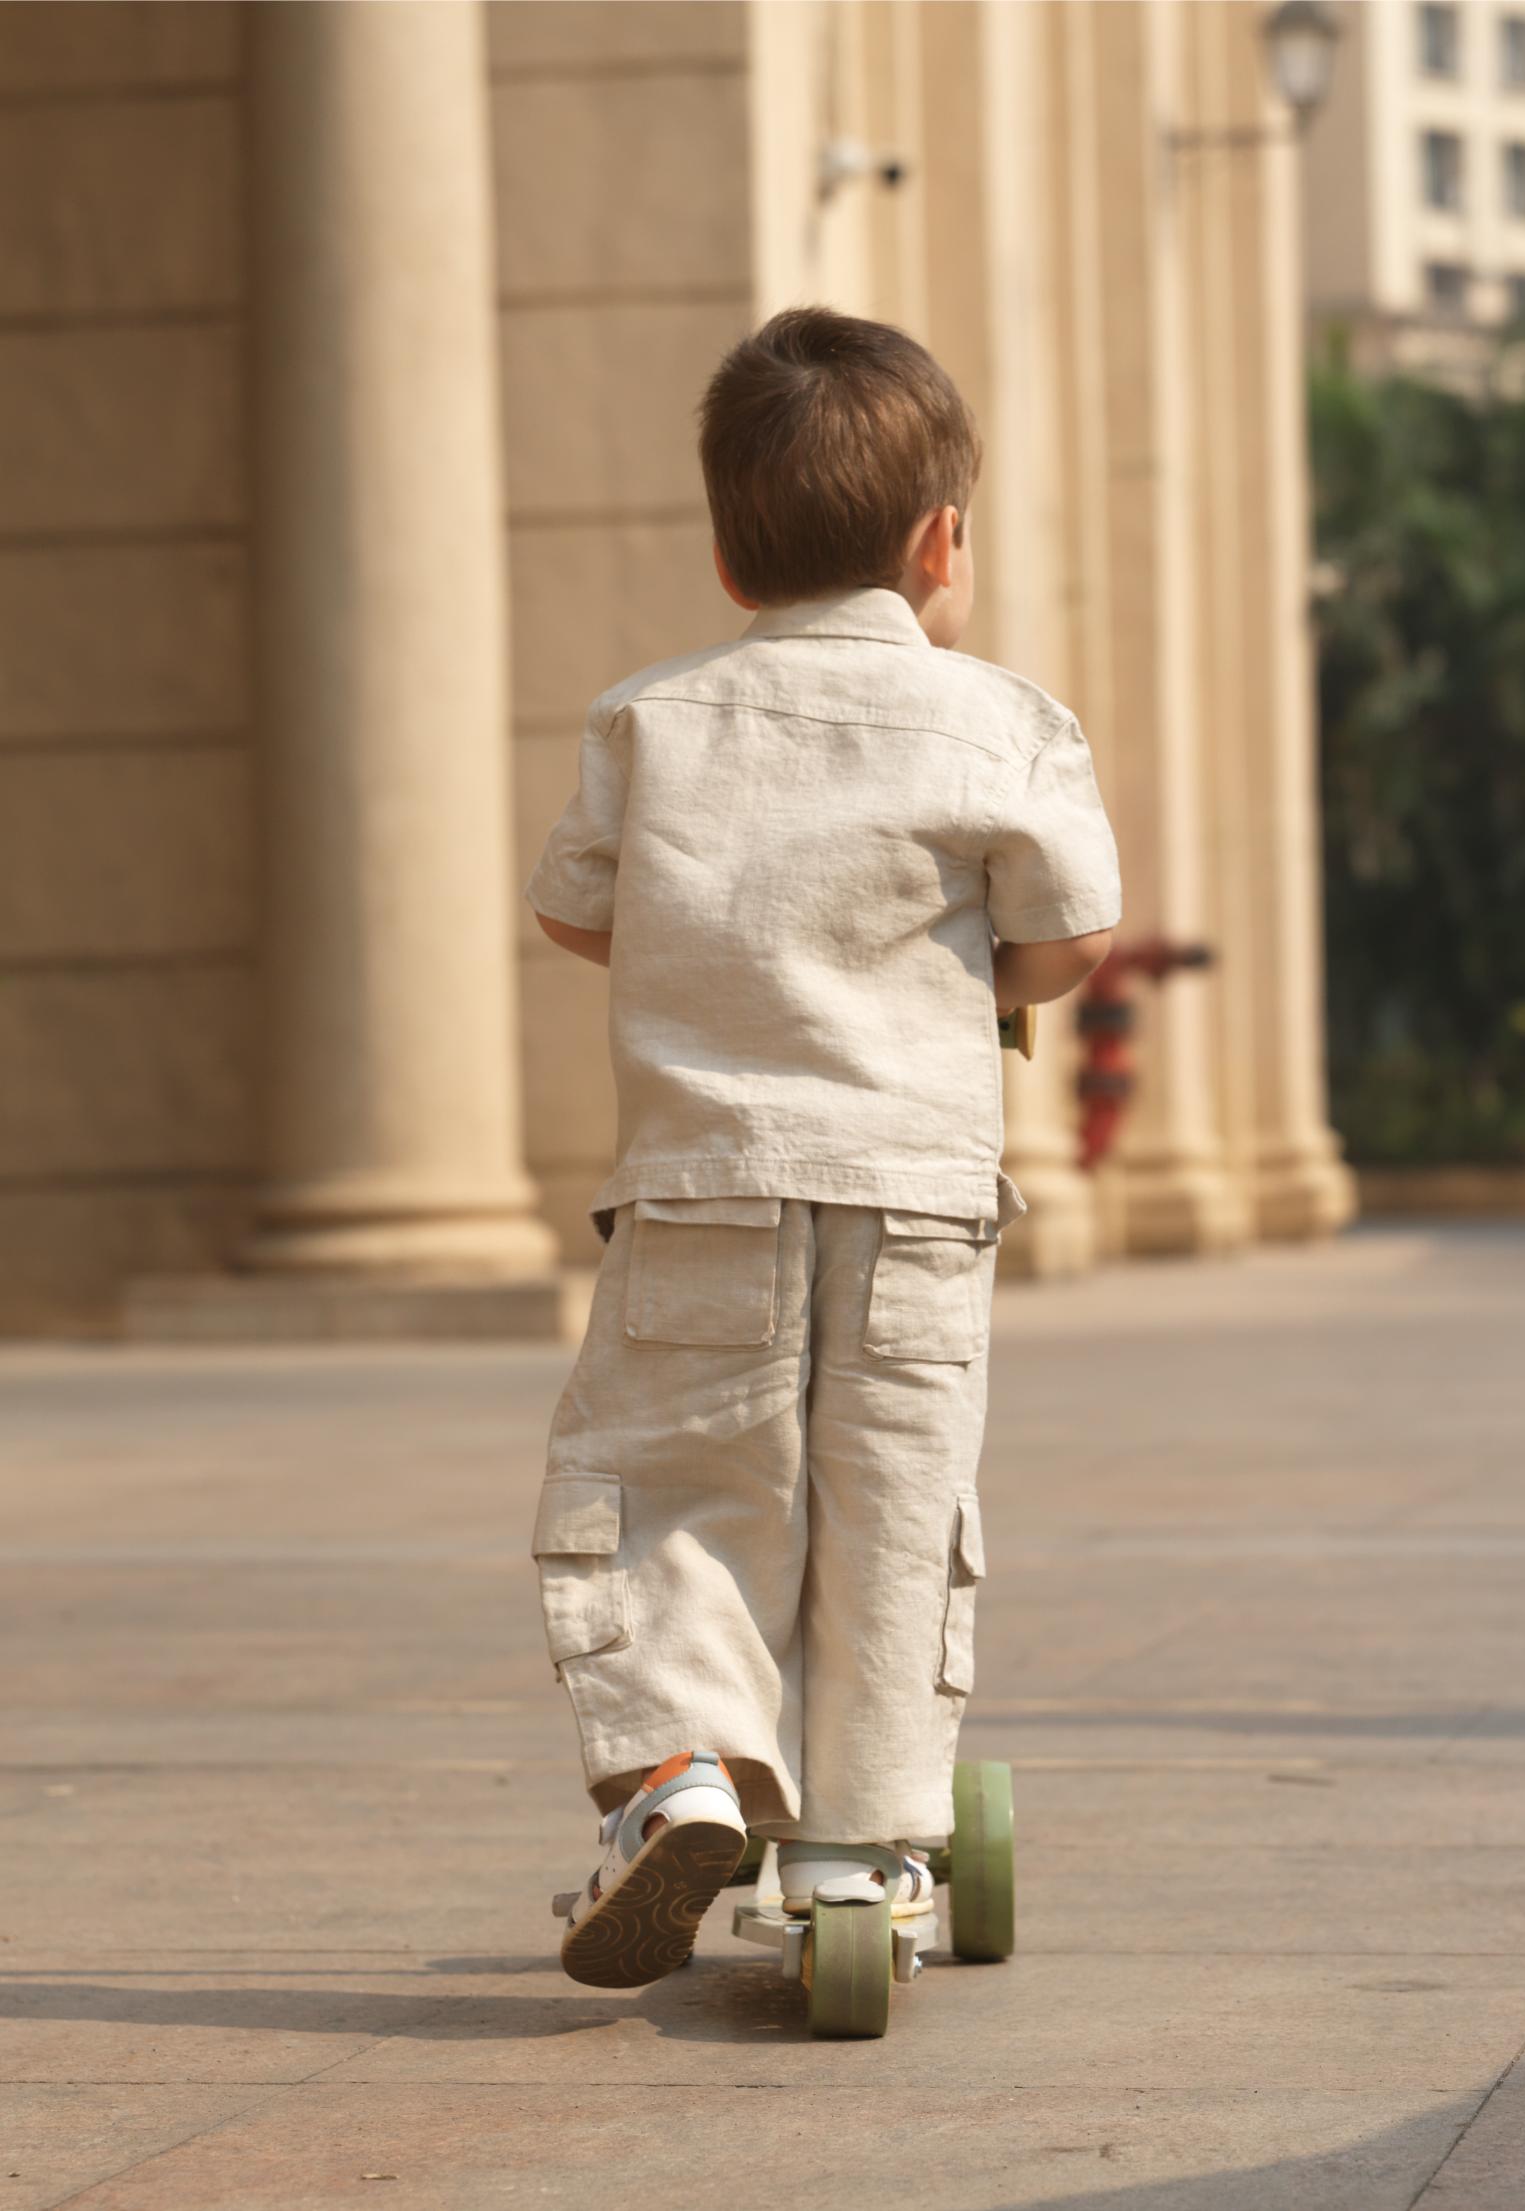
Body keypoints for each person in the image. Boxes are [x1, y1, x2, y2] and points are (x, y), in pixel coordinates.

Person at [523, 306, 1121, 1989]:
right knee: (892, 1502)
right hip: (920, 1199)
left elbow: (579, 911)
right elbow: (1068, 935)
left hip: (702, 1184)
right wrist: (968, 979)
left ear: (727, 554)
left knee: (676, 1492)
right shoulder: (1002, 721)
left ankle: (685, 1771)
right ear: (940, 542)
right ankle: (865, 1844)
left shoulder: (650, 719)